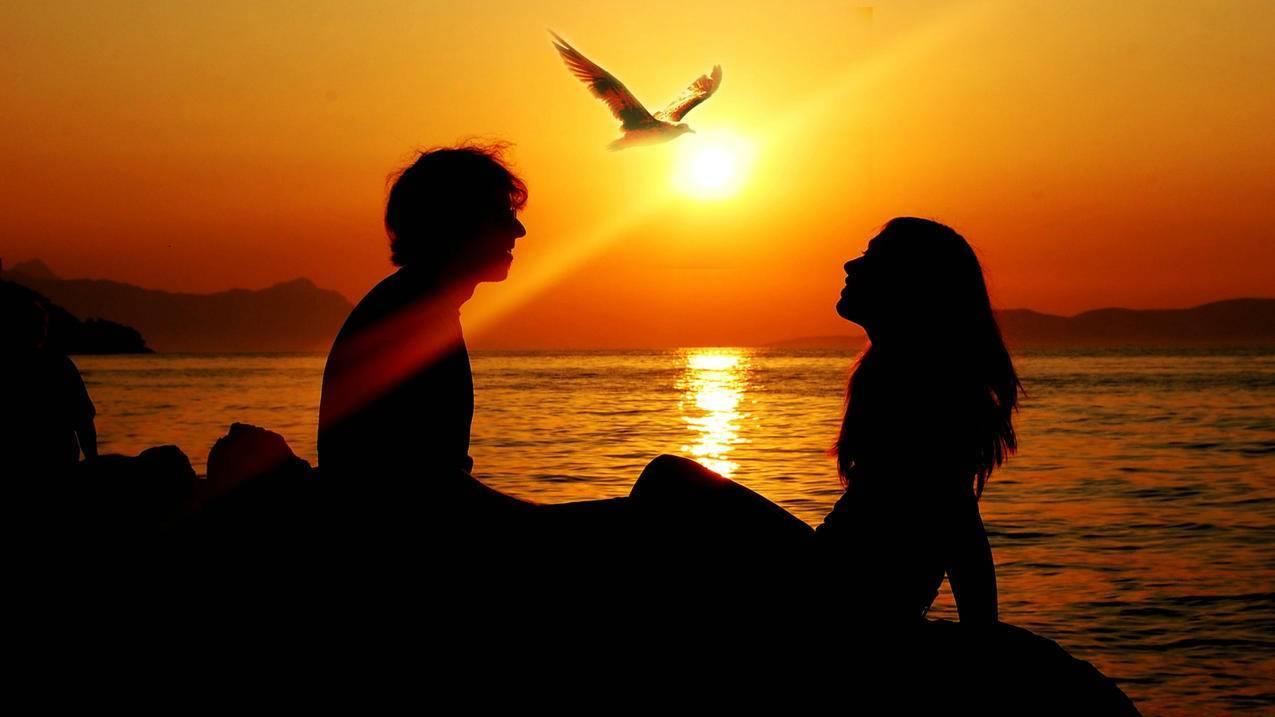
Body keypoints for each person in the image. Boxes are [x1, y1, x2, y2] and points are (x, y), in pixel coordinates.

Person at [0, 291, 98, 479]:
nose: (42, 330)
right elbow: (83, 420)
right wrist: (93, 461)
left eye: (43, 325)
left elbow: (83, 418)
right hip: (57, 461)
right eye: (39, 325)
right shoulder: (59, 365)